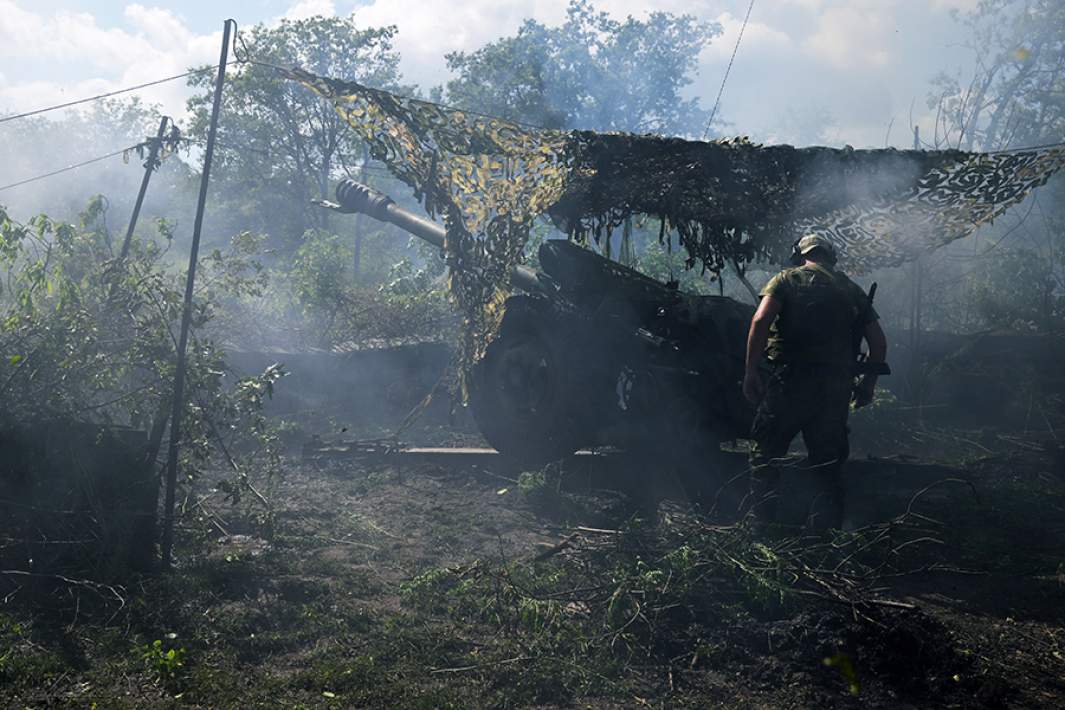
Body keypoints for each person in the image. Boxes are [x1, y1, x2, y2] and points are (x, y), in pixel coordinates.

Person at [742, 234, 888, 529]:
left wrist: (751, 371)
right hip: (835, 388)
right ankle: (825, 532)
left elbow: (760, 322)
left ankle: (763, 527)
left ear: (800, 255)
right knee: (828, 463)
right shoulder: (852, 290)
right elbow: (879, 344)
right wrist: (868, 386)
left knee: (766, 454)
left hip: (790, 382)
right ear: (831, 257)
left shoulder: (785, 280)